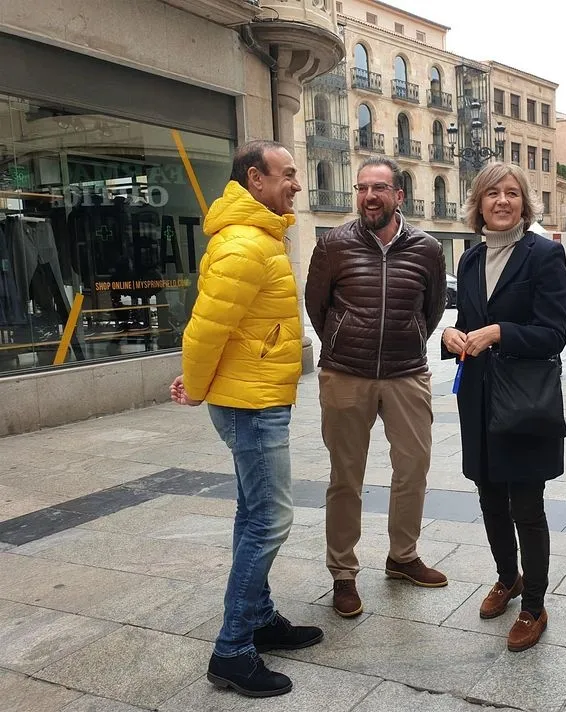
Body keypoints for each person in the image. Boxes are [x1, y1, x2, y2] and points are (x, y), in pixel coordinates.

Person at [170, 140, 322, 698]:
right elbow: (204, 330)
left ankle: (257, 619)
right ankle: (232, 650)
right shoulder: (244, 245)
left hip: (255, 395)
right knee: (269, 520)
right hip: (251, 404)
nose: (296, 184)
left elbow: (228, 328)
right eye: (287, 175)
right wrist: (199, 385)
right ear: (255, 180)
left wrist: (204, 382)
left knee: (251, 513)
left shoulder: (258, 238)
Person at [305, 157, 447, 619]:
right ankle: (343, 573)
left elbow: (433, 309)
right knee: (345, 476)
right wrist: (347, 342)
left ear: (398, 196)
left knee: (413, 469)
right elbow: (317, 305)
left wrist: (404, 339)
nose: (369, 196)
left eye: (379, 188)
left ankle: (402, 556)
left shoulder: (427, 248)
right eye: (362, 188)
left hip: (407, 373)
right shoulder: (332, 244)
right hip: (346, 373)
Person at [441, 162, 566, 652]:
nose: (502, 201)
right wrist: (452, 335)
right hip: (478, 395)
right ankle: (506, 577)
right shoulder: (471, 260)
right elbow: (467, 319)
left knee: (526, 504)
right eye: (492, 193)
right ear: (478, 203)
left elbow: (554, 332)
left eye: (512, 193)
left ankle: (534, 605)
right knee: (489, 495)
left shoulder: (544, 255)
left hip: (524, 398)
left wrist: (500, 333)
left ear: (524, 203)